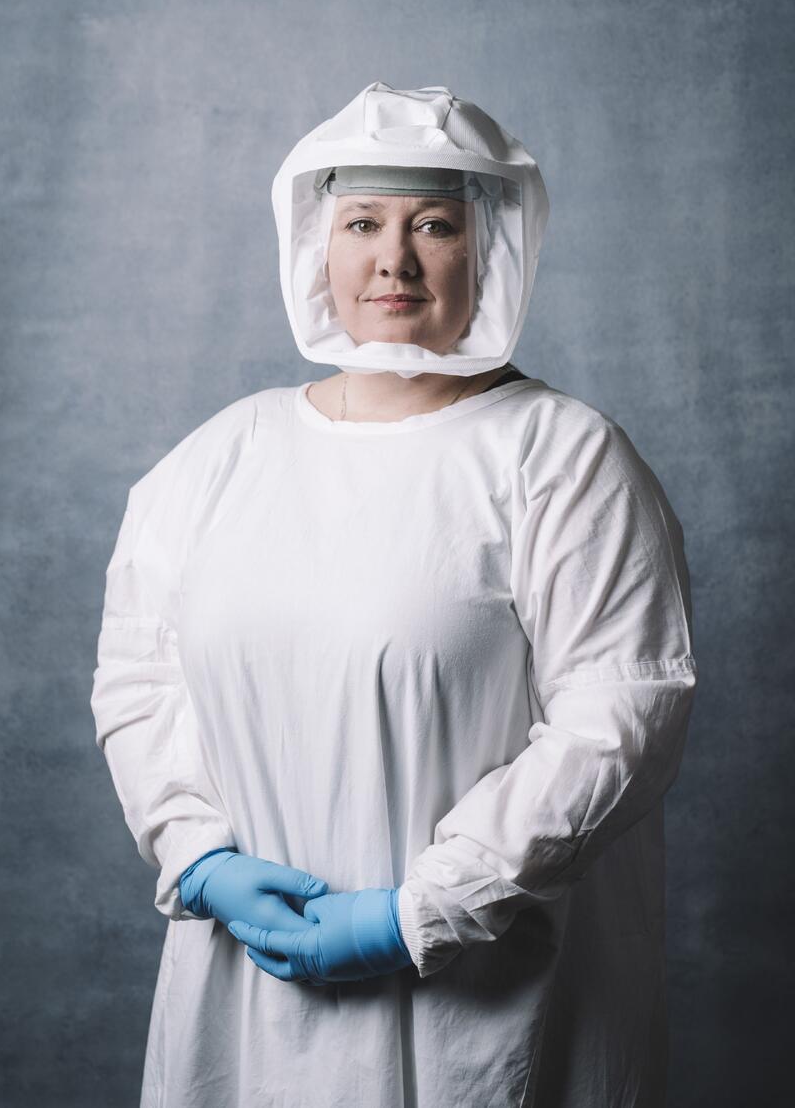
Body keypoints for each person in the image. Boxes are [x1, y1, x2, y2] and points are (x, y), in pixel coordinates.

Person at [90, 81, 698, 1108]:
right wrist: (196, 855)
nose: (392, 257)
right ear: (317, 246)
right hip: (246, 991)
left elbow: (618, 717)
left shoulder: (560, 459)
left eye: (433, 224)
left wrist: (419, 909)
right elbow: (138, 678)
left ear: (486, 245)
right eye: (362, 222)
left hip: (481, 996)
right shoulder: (215, 462)